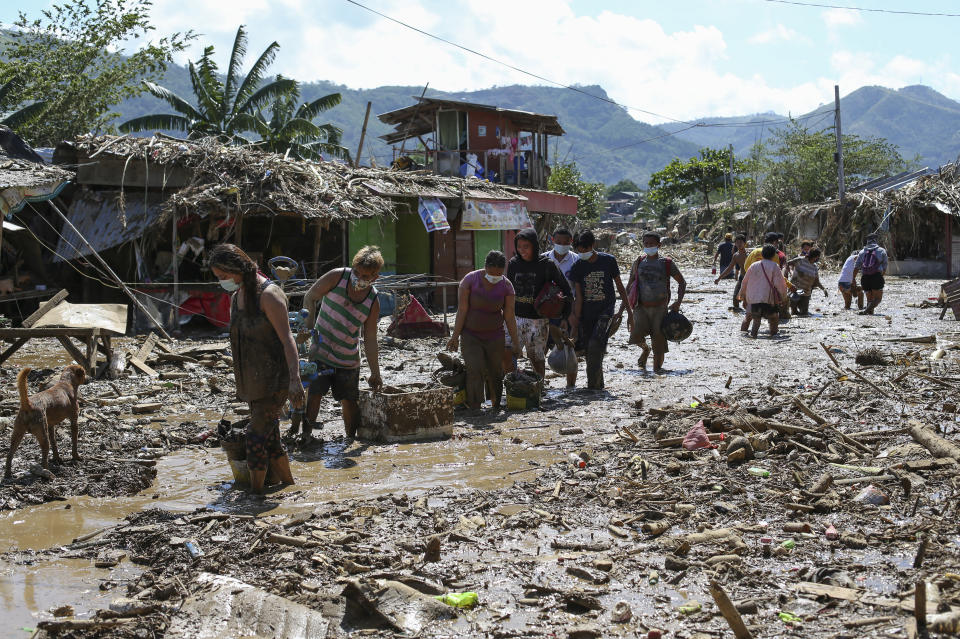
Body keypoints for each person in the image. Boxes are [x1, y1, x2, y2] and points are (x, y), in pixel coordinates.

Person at [209, 244, 301, 495]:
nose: (222, 282)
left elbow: (287, 339)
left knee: (254, 437)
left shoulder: (269, 294)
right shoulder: (236, 296)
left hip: (275, 380)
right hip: (253, 382)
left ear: (236, 270)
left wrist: (295, 380)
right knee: (271, 439)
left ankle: (255, 494)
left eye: (223, 276)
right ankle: (290, 487)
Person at [299, 246, 384, 441]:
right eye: (357, 273)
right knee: (314, 394)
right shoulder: (337, 277)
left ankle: (350, 439)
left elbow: (370, 339)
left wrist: (375, 372)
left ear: (375, 278)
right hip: (320, 350)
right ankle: (305, 436)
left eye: (366, 276)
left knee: (349, 401)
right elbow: (310, 297)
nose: (359, 278)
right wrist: (308, 326)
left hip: (348, 359)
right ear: (352, 268)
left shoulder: (373, 301)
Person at [446, 251, 520, 412]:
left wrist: (516, 342)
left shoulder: (507, 286)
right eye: (491, 273)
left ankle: (495, 404)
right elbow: (462, 310)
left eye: (498, 274)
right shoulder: (470, 280)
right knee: (475, 369)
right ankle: (475, 406)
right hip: (471, 335)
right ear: (485, 267)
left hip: (495, 335)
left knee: (495, 371)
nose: (494, 277)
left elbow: (509, 316)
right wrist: (455, 336)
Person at [504, 228, 572, 381]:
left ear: (534, 245)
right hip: (514, 318)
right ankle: (514, 386)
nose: (522, 250)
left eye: (526, 246)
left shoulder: (547, 264)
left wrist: (564, 317)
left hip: (537, 321)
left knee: (536, 359)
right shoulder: (513, 264)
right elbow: (507, 290)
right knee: (506, 354)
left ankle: (538, 389)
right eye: (519, 246)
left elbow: (566, 290)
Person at [569, 231, 631, 389]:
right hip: (586, 314)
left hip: (606, 310)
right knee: (590, 349)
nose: (582, 253)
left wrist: (629, 313)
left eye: (585, 249)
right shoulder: (577, 266)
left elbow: (620, 287)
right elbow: (578, 296)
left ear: (592, 246)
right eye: (579, 251)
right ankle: (596, 385)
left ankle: (593, 387)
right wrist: (575, 320)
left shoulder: (608, 261)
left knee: (596, 344)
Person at [627, 232, 686, 373]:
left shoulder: (666, 263)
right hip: (641, 308)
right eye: (646, 244)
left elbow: (682, 282)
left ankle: (657, 371)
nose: (648, 246)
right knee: (636, 337)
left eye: (651, 244)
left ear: (659, 245)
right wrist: (624, 308)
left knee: (659, 343)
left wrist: (678, 302)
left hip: (660, 309)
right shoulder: (639, 262)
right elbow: (629, 285)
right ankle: (646, 350)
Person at [543, 228, 579, 387]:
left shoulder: (577, 261)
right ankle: (540, 384)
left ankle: (570, 386)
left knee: (569, 349)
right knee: (541, 348)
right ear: (552, 240)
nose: (562, 245)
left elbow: (578, 290)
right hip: (545, 312)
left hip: (568, 311)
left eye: (565, 242)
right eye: (558, 242)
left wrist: (574, 313)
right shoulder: (543, 260)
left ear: (571, 242)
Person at [739, 244, 787, 338]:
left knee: (749, 318)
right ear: (773, 255)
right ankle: (773, 336)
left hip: (753, 300)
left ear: (762, 254)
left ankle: (744, 337)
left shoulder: (753, 265)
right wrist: (783, 297)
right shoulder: (774, 266)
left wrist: (743, 297)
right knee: (774, 318)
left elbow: (744, 282)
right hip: (768, 300)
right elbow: (780, 284)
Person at [852, 233, 888, 315]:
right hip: (876, 276)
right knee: (878, 299)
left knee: (870, 299)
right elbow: (885, 267)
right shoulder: (882, 251)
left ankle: (870, 315)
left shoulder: (861, 252)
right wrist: (880, 277)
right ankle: (866, 311)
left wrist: (853, 278)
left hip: (865, 278)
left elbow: (856, 267)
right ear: (876, 240)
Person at [785, 248, 827, 316]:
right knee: (794, 312)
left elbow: (816, 282)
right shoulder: (800, 260)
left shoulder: (814, 267)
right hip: (795, 291)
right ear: (815, 257)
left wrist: (823, 289)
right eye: (818, 256)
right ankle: (793, 309)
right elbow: (787, 264)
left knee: (804, 314)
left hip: (806, 293)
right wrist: (791, 272)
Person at [714, 235, 748, 311]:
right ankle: (738, 315)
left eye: (741, 242)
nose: (739, 244)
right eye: (737, 242)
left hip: (751, 279)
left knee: (749, 299)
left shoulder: (749, 255)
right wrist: (719, 278)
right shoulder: (736, 255)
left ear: (744, 243)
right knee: (735, 299)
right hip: (742, 278)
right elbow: (729, 268)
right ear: (735, 243)